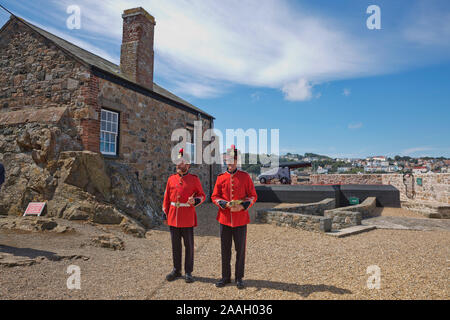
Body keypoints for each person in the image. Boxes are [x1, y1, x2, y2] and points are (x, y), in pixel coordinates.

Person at [211, 145, 257, 289]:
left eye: (233, 159)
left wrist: (242, 206)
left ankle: (239, 277)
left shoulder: (245, 177)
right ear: (225, 160)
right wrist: (224, 204)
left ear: (237, 161)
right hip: (224, 219)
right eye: (228, 159)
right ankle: (225, 276)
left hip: (240, 219)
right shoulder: (221, 178)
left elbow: (253, 196)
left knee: (240, 250)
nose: (230, 162)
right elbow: (215, 196)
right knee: (225, 249)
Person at [162, 148, 206, 283]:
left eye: (180, 162)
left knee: (189, 246)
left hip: (187, 217)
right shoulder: (171, 179)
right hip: (173, 217)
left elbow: (202, 195)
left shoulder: (194, 179)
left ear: (187, 165)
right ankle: (176, 269)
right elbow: (166, 199)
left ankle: (188, 272)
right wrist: (165, 214)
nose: (177, 165)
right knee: (175, 245)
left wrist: (195, 200)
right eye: (177, 162)